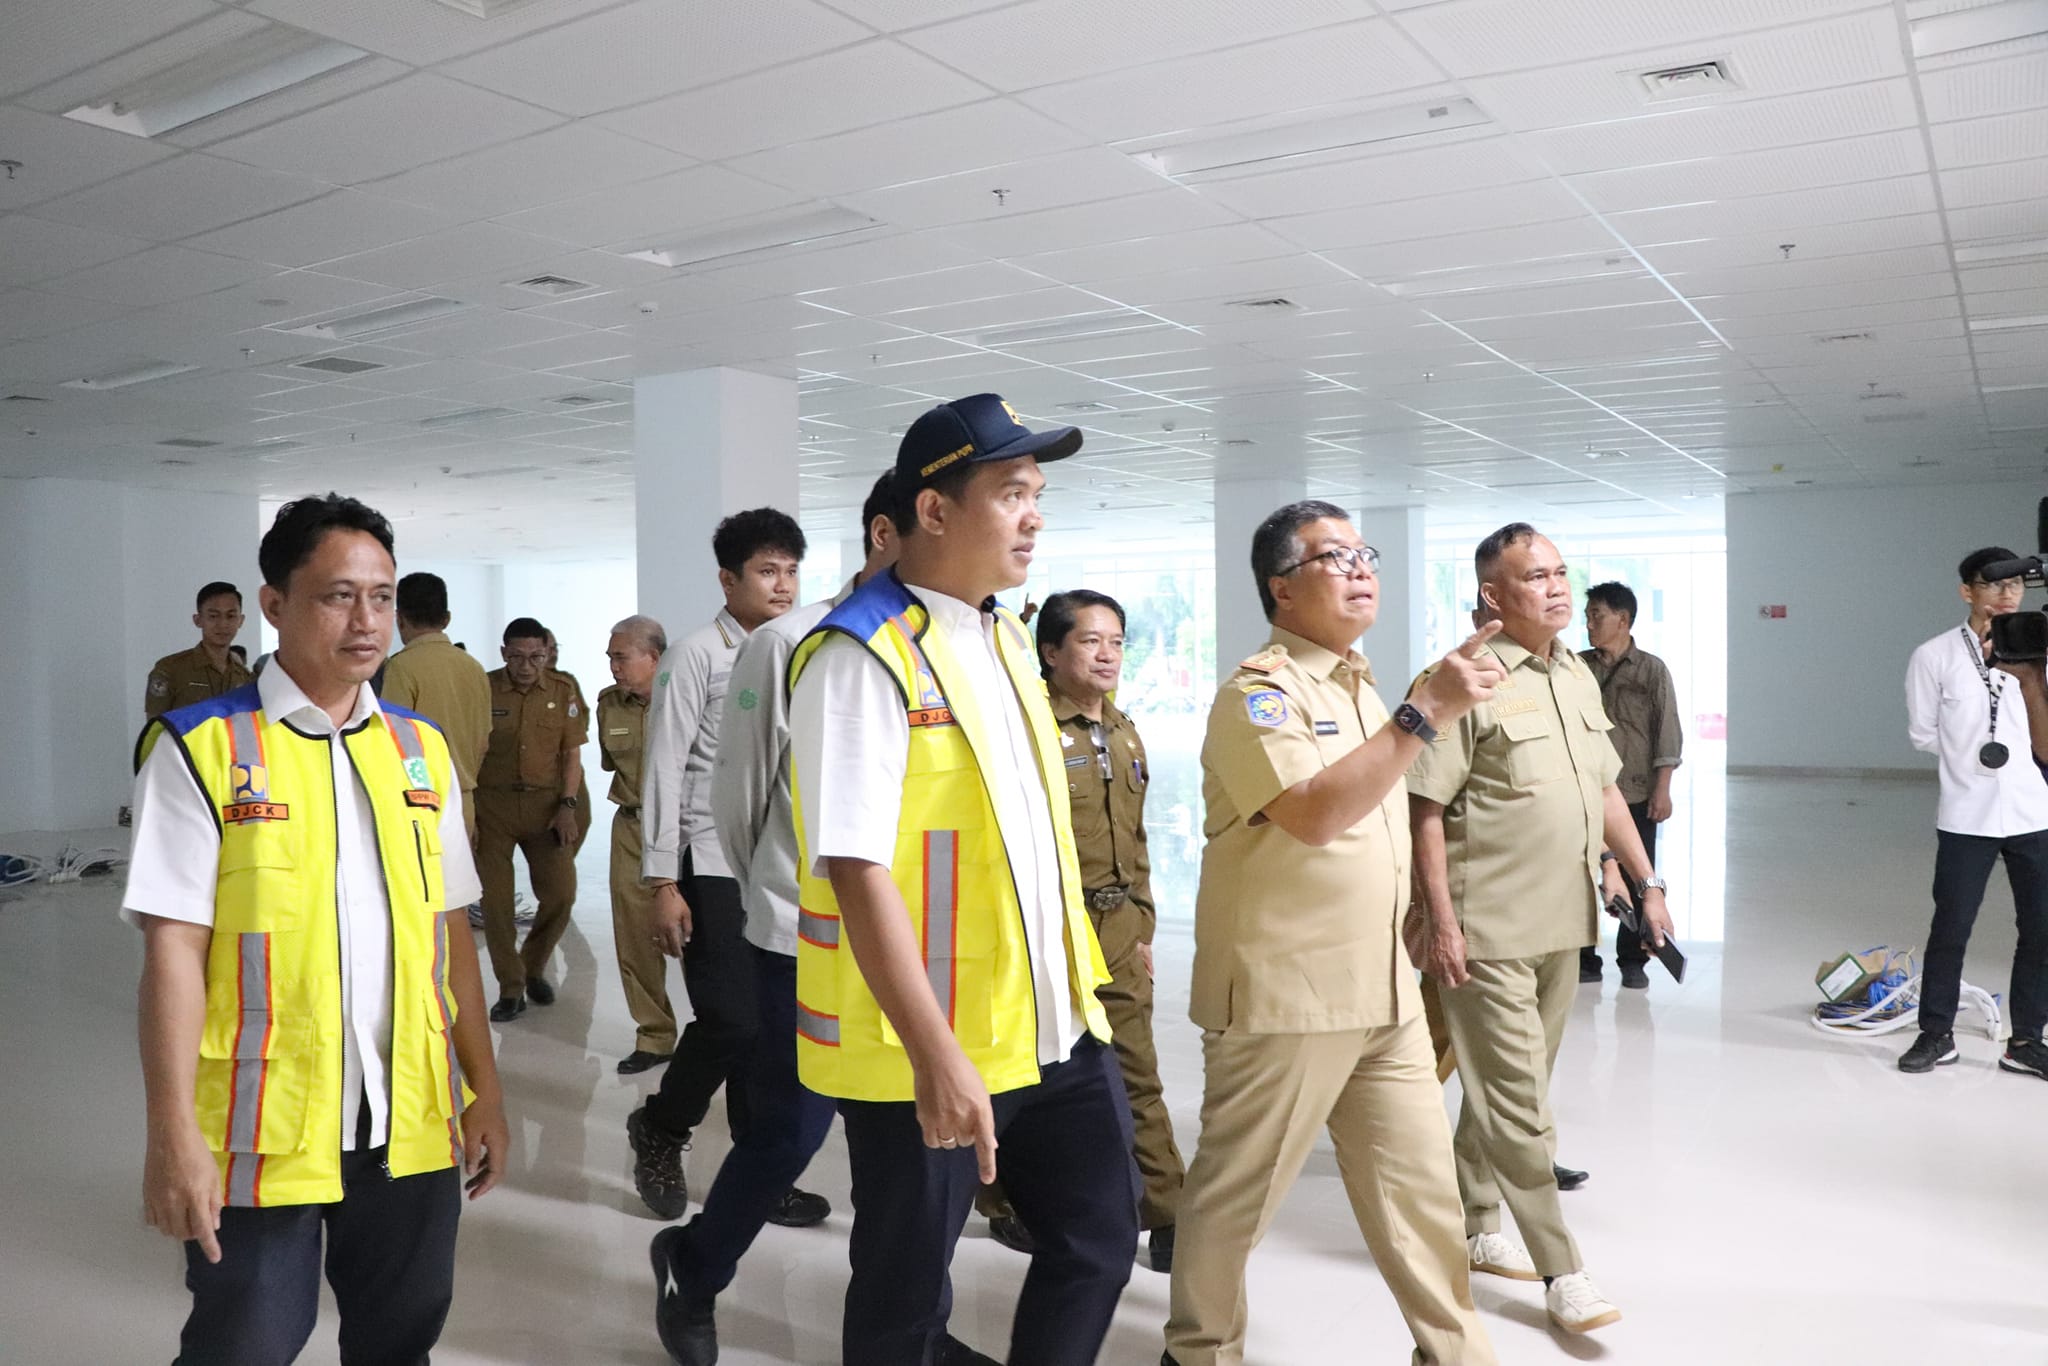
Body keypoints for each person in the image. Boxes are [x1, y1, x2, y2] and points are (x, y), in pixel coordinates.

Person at [787, 393, 1136, 1366]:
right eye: (1011, 493)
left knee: (1099, 1241)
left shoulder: (1005, 638)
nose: (1034, 516)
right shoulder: (859, 655)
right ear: (934, 511)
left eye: (1037, 495)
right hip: (930, 1042)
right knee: (903, 1300)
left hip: (1053, 1025)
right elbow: (854, 868)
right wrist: (934, 1054)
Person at [124, 493, 506, 1364]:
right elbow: (173, 953)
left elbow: (450, 932)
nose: (366, 621)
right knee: (246, 1345)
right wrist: (171, 1133)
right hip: (262, 1126)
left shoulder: (419, 750)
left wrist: (483, 1086)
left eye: (382, 596)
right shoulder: (202, 748)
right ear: (275, 603)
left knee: (400, 1338)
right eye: (338, 596)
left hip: (409, 1126)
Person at [1163, 501, 1501, 1366]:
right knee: (1238, 1195)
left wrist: (1418, 905)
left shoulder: (1359, 687)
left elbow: (1377, 813)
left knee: (1422, 1195)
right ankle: (1199, 1352)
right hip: (1289, 994)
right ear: (1281, 587)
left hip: (1382, 987)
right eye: (1334, 557)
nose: (1361, 570)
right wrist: (1424, 713)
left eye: (1364, 554)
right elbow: (1314, 815)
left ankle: (1456, 1355)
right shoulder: (1258, 694)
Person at [649, 473, 899, 1366]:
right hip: (801, 930)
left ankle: (909, 1326)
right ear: (893, 532)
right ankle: (694, 1265)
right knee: (789, 1127)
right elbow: (735, 798)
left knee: (906, 1152)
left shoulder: (964, 648)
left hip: (912, 946)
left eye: (789, 568)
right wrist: (747, 888)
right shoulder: (785, 646)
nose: (781, 583)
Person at [1407, 522, 1674, 1335]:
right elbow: (1423, 808)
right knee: (1520, 1103)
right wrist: (1440, 922)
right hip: (1485, 924)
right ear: (1493, 595)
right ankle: (1563, 1270)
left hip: (1565, 921)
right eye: (1536, 577)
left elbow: (1604, 791)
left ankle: (1475, 1219)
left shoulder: (1574, 674)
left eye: (1561, 573)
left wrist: (1645, 880)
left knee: (1507, 1087)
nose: (1558, 588)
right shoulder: (1463, 678)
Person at [978, 589, 1185, 1274]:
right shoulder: (1028, 726)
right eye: (1090, 641)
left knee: (1137, 1069)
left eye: (1117, 642)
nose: (1107, 655)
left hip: (1117, 924)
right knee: (1025, 1068)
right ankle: (1004, 1200)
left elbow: (1137, 837)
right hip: (1046, 927)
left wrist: (1143, 924)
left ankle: (1168, 1212)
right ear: (1050, 652)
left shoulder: (1123, 729)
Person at [628, 508, 811, 1220]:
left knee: (769, 1025)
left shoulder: (796, 649)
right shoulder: (696, 654)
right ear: (728, 580)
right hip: (706, 859)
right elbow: (664, 766)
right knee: (732, 1020)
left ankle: (757, 1174)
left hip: (774, 861)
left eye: (790, 570)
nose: (783, 585)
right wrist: (662, 880)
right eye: (767, 571)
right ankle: (662, 1126)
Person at [1900, 547, 2048, 1077]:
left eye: (2017, 585)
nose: (2007, 595)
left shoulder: (2042, 654)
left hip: (2034, 812)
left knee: (2041, 929)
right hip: (1966, 813)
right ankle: (1936, 1034)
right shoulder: (1934, 656)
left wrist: (2031, 677)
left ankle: (2026, 1040)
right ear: (1968, 591)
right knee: (1951, 928)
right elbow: (1923, 734)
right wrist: (1972, 756)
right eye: (1994, 584)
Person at [474, 616, 587, 1021]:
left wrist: (568, 806)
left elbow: (571, 753)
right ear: (504, 653)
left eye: (536, 657)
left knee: (561, 894)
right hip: (493, 806)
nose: (526, 666)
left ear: (547, 654)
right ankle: (511, 988)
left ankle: (533, 965)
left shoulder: (562, 689)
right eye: (517, 657)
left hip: (546, 808)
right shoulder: (482, 688)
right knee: (496, 905)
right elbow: (469, 750)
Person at [1579, 581, 1684, 988]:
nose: (1589, 624)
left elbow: (1667, 731)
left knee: (1638, 872)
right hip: (1585, 792)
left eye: (1597, 616)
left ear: (1622, 620)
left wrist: (1663, 788)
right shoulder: (1577, 667)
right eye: (1588, 616)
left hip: (1635, 789)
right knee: (1582, 874)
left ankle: (1632, 959)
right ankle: (1583, 957)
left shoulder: (1651, 670)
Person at [599, 614, 675, 1075]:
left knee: (699, 934)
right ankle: (655, 1035)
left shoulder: (687, 696)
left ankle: (718, 1031)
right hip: (632, 827)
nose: (614, 667)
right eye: (610, 658)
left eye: (621, 657)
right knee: (634, 938)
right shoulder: (609, 705)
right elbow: (613, 765)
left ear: (654, 658)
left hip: (684, 828)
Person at [380, 572, 492, 845]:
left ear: (399, 618)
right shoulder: (474, 668)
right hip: (464, 801)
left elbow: (392, 742)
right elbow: (484, 742)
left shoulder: (402, 667)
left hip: (418, 803)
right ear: (447, 619)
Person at [144, 582, 252, 719]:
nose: (223, 624)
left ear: (241, 620)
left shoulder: (244, 676)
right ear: (198, 620)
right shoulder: (170, 669)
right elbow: (155, 725)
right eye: (213, 616)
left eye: (230, 616)